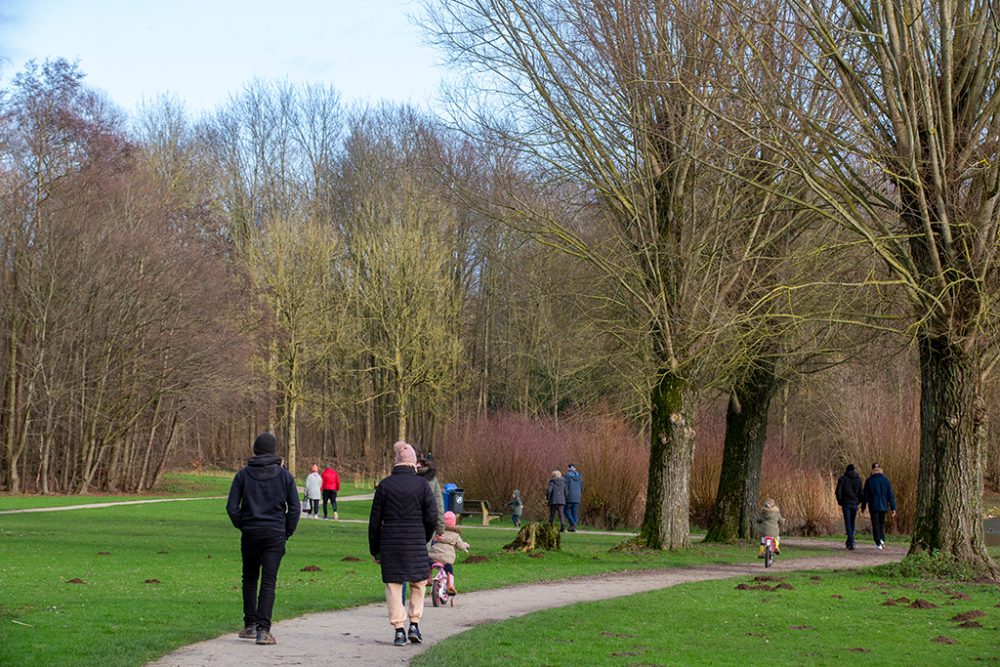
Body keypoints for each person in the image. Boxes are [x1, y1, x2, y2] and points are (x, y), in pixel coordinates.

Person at [226, 432, 301, 646]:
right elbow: (295, 508)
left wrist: (243, 523)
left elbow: (232, 507)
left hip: (251, 531)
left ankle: (249, 624)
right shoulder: (284, 476)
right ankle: (263, 630)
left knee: (249, 578)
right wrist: (287, 530)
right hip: (274, 532)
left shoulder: (243, 475)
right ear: (274, 450)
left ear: (255, 450)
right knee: (269, 581)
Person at [369, 440, 438, 647]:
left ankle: (399, 629)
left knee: (394, 586)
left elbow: (374, 521)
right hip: (416, 541)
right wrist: (425, 536)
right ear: (414, 463)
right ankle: (414, 623)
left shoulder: (384, 485)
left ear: (396, 462)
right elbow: (432, 517)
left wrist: (375, 549)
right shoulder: (422, 485)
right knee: (418, 583)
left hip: (390, 543)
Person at [428, 510, 470, 594]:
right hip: (447, 558)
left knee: (429, 565)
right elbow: (461, 546)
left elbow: (431, 539)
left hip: (434, 556)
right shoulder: (456, 535)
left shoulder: (438, 532)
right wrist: (466, 545)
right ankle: (450, 584)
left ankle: (428, 578)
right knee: (449, 570)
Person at [860, 462, 896, 550]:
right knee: (881, 523)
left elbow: (865, 495)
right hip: (883, 505)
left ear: (872, 470)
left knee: (875, 524)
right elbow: (890, 495)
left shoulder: (869, 481)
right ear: (880, 469)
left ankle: (878, 542)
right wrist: (893, 508)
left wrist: (863, 506)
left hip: (874, 505)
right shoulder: (886, 480)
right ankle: (882, 539)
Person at [835, 463, 863, 550]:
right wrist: (858, 501)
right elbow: (861, 493)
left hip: (846, 503)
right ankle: (849, 541)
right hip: (854, 503)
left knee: (848, 522)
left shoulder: (842, 479)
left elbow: (838, 492)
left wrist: (840, 501)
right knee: (852, 522)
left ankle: (851, 540)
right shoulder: (858, 479)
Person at [416, 454, 446, 536]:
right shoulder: (432, 479)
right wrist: (440, 528)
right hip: (425, 525)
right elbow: (438, 504)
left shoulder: (398, 477)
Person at [564, 463, 583, 531]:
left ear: (568, 468)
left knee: (566, 510)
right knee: (574, 512)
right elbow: (581, 487)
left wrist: (565, 496)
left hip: (569, 496)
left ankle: (572, 523)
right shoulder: (580, 476)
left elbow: (565, 487)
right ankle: (573, 527)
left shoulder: (567, 476)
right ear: (575, 468)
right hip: (577, 496)